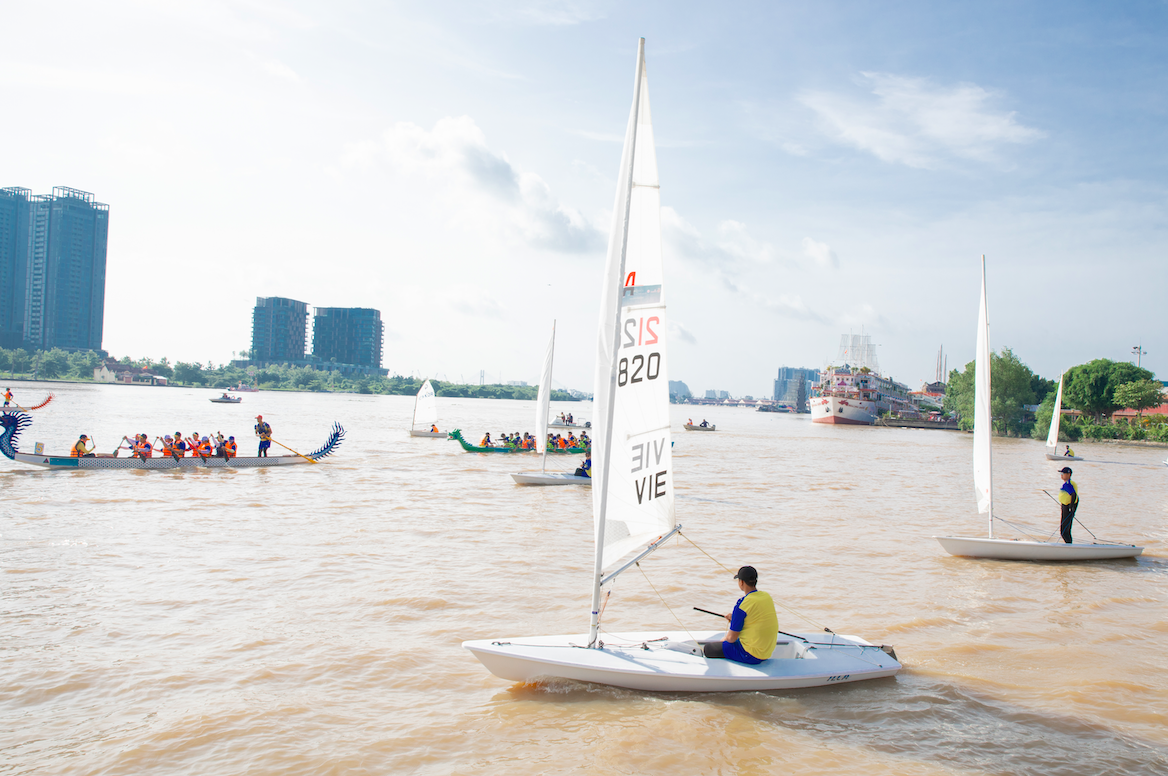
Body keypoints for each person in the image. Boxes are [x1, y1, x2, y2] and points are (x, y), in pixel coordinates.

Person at [702, 566, 779, 665]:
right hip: (767, 652)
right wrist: (735, 618)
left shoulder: (742, 604)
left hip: (751, 655)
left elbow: (731, 638)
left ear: (741, 582)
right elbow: (755, 618)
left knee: (709, 649)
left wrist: (723, 642)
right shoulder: (766, 596)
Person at [1057, 467, 1079, 544]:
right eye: (1061, 474)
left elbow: (1073, 495)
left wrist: (1071, 506)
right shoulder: (1068, 483)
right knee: (1066, 530)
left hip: (1068, 507)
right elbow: (1077, 497)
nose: (1061, 475)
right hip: (1066, 506)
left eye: (1063, 474)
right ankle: (1069, 545)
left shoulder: (1068, 484)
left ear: (1068, 474)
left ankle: (1069, 545)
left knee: (1064, 531)